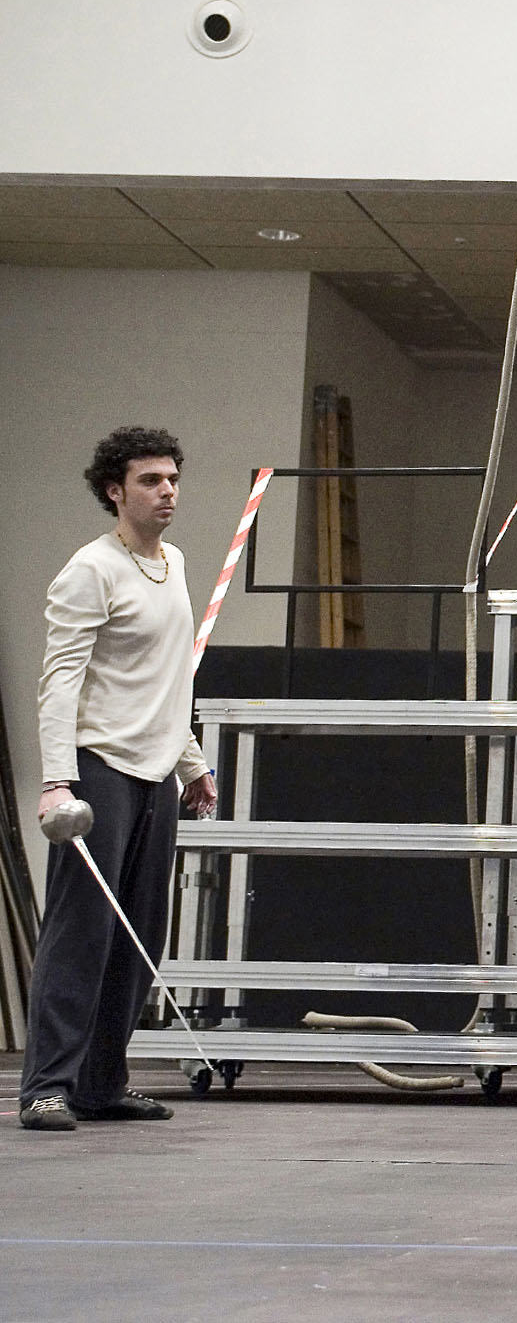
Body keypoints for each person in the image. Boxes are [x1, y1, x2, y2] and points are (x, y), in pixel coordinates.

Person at [21, 427, 217, 1133]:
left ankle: (101, 1084)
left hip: (156, 774)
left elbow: (167, 679)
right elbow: (59, 683)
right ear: (115, 490)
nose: (167, 490)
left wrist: (191, 762)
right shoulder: (90, 570)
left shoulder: (176, 564)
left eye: (172, 478)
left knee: (139, 934)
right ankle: (46, 1086)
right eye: (150, 480)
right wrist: (55, 782)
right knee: (82, 932)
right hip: (98, 768)